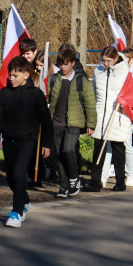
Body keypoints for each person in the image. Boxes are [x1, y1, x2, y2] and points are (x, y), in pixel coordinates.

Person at [0, 56, 51, 227]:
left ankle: (17, 212)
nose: (11, 78)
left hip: (27, 140)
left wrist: (47, 143)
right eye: (10, 75)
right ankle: (24, 200)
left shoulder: (35, 94)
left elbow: (46, 121)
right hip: (9, 139)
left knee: (19, 173)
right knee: (10, 177)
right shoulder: (5, 93)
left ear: (26, 75)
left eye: (15, 76)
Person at [47, 48, 96, 197]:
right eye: (61, 64)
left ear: (73, 63)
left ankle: (74, 179)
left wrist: (91, 124)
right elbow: (49, 100)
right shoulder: (54, 79)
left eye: (66, 64)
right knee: (57, 154)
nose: (63, 67)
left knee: (68, 149)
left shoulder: (82, 80)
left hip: (74, 123)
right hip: (56, 122)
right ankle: (63, 186)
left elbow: (89, 102)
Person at [88, 46, 133, 191]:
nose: (105, 63)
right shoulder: (98, 71)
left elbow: (131, 92)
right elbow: (95, 92)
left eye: (108, 61)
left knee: (118, 148)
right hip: (101, 113)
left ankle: (120, 181)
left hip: (118, 114)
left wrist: (124, 101)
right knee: (98, 147)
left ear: (116, 59)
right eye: (103, 60)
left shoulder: (126, 72)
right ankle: (95, 181)